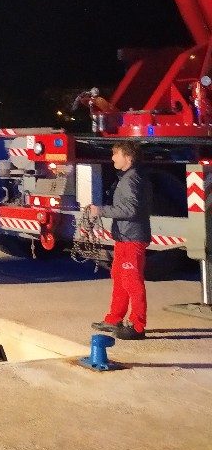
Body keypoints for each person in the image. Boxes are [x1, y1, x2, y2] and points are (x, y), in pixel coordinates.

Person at [86, 141, 152, 340]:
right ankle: (114, 319)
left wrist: (100, 211)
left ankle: (137, 326)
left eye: (116, 154)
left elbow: (131, 210)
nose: (113, 157)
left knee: (132, 281)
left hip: (132, 238)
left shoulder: (132, 179)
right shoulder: (129, 177)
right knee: (119, 277)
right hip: (125, 237)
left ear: (128, 158)